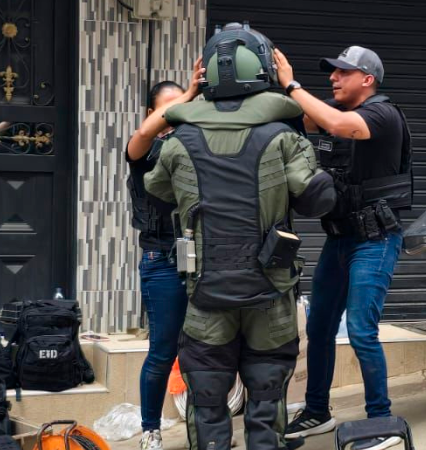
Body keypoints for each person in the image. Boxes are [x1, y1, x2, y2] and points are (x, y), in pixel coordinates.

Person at [145, 22, 335, 450]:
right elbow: (316, 200)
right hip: (269, 291)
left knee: (207, 394)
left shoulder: (179, 141)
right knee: (267, 395)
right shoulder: (284, 137)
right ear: (264, 70)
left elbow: (156, 190)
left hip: (206, 291)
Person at [273, 45, 413, 450]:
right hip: (339, 239)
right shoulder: (337, 119)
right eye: (332, 72)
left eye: (342, 72)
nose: (333, 78)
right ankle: (317, 411)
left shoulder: (382, 115)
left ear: (367, 79)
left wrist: (292, 83)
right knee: (318, 329)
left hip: (375, 240)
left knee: (361, 331)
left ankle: (380, 422)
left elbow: (334, 123)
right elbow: (303, 118)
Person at [126, 62, 203, 450]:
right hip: (162, 260)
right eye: (167, 110)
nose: (176, 116)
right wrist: (186, 97)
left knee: (206, 348)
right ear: (152, 113)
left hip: (204, 257)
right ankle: (150, 430)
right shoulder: (145, 150)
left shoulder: (197, 144)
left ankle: (203, 428)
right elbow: (139, 138)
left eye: (183, 108)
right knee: (163, 350)